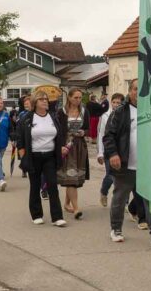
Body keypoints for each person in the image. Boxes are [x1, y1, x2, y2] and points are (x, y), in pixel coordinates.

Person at [103, 79, 151, 248]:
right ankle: (116, 229)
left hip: (146, 164)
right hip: (125, 164)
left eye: (141, 90)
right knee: (120, 198)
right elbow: (108, 135)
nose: (138, 92)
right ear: (130, 91)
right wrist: (113, 154)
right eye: (135, 89)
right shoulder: (120, 111)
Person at [17, 91, 66, 225]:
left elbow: (59, 134)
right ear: (35, 102)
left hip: (50, 156)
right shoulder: (27, 118)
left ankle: (57, 217)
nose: (45, 101)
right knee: (35, 186)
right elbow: (20, 139)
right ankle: (36, 214)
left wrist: (61, 147)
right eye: (41, 99)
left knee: (52, 185)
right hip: (33, 156)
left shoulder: (53, 117)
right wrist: (23, 155)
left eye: (46, 99)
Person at [57, 88, 90, 219]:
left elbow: (87, 128)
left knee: (74, 176)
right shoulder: (61, 112)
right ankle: (76, 208)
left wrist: (84, 132)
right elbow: (58, 130)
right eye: (76, 97)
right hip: (67, 146)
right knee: (71, 177)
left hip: (80, 146)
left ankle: (66, 203)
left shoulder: (84, 111)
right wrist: (60, 146)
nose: (78, 100)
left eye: (80, 98)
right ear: (69, 98)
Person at [96, 93, 124, 207]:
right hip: (109, 150)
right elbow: (101, 134)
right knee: (111, 175)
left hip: (122, 151)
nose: (116, 105)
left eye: (118, 103)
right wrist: (100, 153)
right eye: (114, 102)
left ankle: (124, 202)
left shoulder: (125, 115)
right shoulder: (104, 116)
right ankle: (104, 191)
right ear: (111, 102)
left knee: (123, 178)